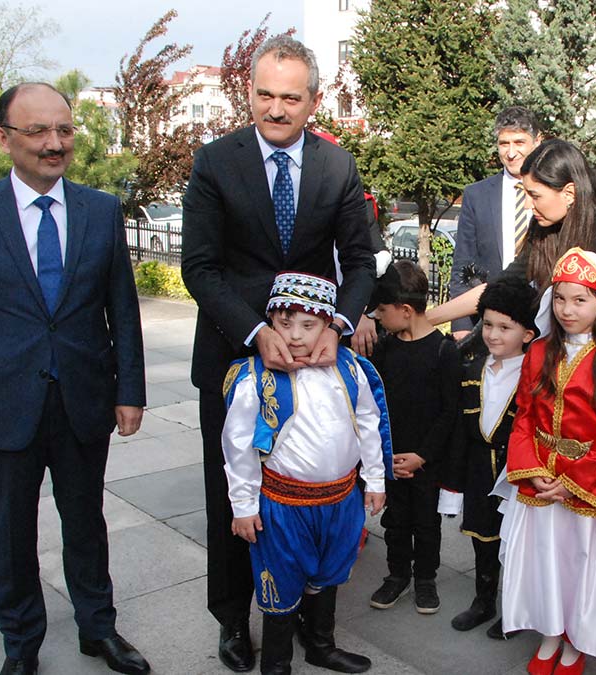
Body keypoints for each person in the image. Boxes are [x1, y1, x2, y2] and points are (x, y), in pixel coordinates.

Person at [0, 82, 148, 675]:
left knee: (86, 523)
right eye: (39, 132)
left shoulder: (101, 211)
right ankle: (20, 646)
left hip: (82, 397)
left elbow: (122, 310)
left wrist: (130, 391)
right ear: (3, 138)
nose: (55, 144)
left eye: (65, 131)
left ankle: (98, 630)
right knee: (12, 535)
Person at [181, 35, 375, 672]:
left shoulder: (336, 167)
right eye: (264, 94)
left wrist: (339, 325)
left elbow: (360, 262)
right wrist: (252, 332)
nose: (276, 108)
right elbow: (200, 268)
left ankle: (317, 635)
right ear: (250, 93)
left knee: (316, 495)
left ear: (312, 101)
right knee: (235, 500)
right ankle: (234, 622)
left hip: (315, 364)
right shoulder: (214, 162)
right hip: (236, 359)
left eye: (290, 97)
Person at [222, 272, 390, 675]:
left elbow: (368, 422)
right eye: (284, 323)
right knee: (281, 580)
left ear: (329, 325)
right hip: (283, 506)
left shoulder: (350, 369)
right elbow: (238, 445)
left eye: (308, 325)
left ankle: (320, 644)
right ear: (269, 323)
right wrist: (244, 506)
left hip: (339, 500)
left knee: (329, 571)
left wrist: (376, 479)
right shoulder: (255, 378)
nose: (295, 335)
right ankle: (277, 664)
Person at [503, 247, 596, 675]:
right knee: (544, 559)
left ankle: (574, 643)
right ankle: (548, 632)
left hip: (586, 482)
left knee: (578, 563)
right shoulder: (539, 352)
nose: (566, 309)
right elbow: (524, 415)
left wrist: (574, 480)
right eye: (559, 298)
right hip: (540, 475)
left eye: (579, 300)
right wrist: (536, 472)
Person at [428, 139, 596, 364]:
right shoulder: (544, 229)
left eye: (534, 196)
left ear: (569, 193)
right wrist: (426, 320)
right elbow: (500, 286)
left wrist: (575, 364)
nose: (527, 205)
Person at [439, 276, 538, 639]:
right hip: (480, 468)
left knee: (515, 542)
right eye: (489, 325)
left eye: (505, 328)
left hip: (518, 472)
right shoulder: (474, 371)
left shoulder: (535, 373)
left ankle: (514, 609)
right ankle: (483, 601)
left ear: (527, 334)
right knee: (482, 538)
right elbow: (462, 431)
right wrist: (454, 483)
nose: (493, 335)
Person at [367, 261, 461, 614]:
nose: (377, 317)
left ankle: (425, 579)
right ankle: (396, 575)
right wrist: (386, 454)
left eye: (381, 310)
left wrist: (422, 455)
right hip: (392, 456)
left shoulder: (443, 351)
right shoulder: (385, 349)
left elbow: (448, 412)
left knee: (425, 523)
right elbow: (376, 405)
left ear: (405, 310)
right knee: (395, 520)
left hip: (425, 460)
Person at [447, 106, 543, 339]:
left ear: (537, 142)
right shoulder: (476, 195)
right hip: (489, 326)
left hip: (544, 322)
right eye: (504, 144)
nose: (511, 153)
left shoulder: (554, 194)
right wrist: (461, 328)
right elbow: (463, 264)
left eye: (519, 143)